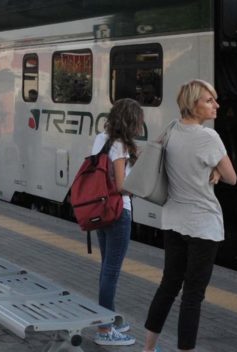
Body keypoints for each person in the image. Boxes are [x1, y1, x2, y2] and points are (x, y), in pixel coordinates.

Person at [142, 79, 237, 352]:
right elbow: (232, 178)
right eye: (209, 100)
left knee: (168, 286)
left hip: (173, 220)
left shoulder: (172, 130)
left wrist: (214, 170)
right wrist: (217, 171)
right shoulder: (209, 138)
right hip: (203, 225)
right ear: (193, 104)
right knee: (193, 296)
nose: (216, 105)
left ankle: (148, 348)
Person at [90, 99, 143, 347]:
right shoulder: (120, 146)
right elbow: (121, 186)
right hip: (119, 212)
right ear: (131, 121)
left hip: (100, 209)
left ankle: (108, 316)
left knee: (106, 268)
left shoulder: (102, 139)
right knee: (111, 271)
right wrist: (139, 189)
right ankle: (105, 329)